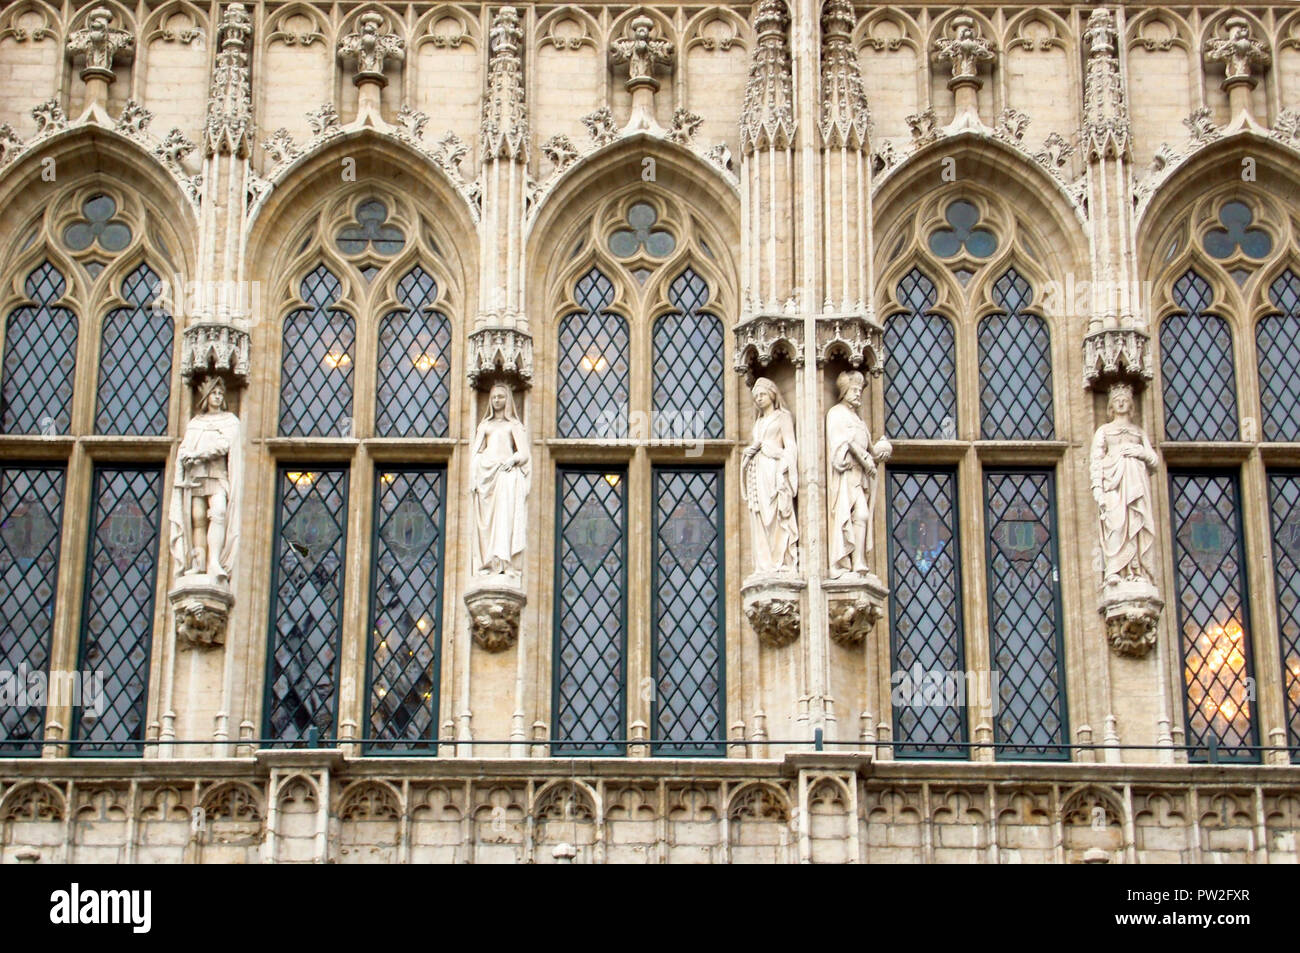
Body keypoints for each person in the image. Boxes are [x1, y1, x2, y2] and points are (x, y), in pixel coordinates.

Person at [169, 375, 241, 581]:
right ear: (206, 397)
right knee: (198, 518)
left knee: (218, 512)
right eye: (214, 393)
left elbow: (224, 445)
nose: (217, 397)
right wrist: (185, 456)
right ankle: (198, 562)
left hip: (217, 475)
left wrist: (198, 454)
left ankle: (215, 561)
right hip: (196, 476)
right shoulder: (195, 423)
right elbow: (185, 448)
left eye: (220, 394)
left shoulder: (230, 421)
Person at [1090, 383, 1158, 585]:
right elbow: (1096, 461)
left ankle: (1137, 570)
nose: (1121, 402)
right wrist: (1097, 489)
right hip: (1113, 487)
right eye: (1117, 400)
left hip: (1136, 487)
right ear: (1111, 405)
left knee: (1136, 525)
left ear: (1131, 405)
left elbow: (1154, 461)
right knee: (1116, 525)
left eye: (1125, 400)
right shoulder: (1104, 431)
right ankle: (1114, 570)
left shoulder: (1138, 432)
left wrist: (1140, 452)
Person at [827, 370, 891, 577]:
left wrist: (880, 450)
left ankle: (859, 561)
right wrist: (864, 459)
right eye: (853, 390)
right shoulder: (836, 413)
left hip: (860, 477)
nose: (857, 394)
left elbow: (869, 447)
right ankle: (852, 560)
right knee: (854, 514)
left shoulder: (859, 420)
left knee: (862, 514)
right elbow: (843, 442)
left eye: (859, 390)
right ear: (844, 391)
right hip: (846, 475)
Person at [470, 382, 531, 578]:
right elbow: (476, 452)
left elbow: (524, 454)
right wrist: (478, 468)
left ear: (508, 400)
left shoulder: (513, 425)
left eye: (501, 397)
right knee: (486, 522)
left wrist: (512, 460)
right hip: (486, 475)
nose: (497, 400)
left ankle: (505, 562)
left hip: (505, 476)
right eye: (494, 397)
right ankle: (488, 563)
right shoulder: (485, 426)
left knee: (504, 520)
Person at [741, 377, 799, 572]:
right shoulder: (758, 423)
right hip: (759, 470)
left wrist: (784, 462)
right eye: (756, 396)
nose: (758, 398)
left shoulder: (782, 417)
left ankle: (780, 560)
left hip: (775, 469)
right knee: (760, 516)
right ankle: (766, 563)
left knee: (776, 514)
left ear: (772, 394)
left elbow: (790, 444)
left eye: (762, 394)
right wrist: (749, 453)